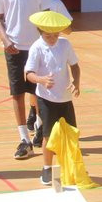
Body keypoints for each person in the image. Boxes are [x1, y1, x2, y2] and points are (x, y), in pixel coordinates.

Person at [0, 0, 51, 160]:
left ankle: (41, 126)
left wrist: (46, 41)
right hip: (14, 48)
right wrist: (5, 40)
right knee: (17, 93)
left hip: (37, 47)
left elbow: (47, 15)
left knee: (39, 90)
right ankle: (24, 139)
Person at [24, 11, 82, 186]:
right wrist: (41, 80)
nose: (52, 38)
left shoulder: (65, 44)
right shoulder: (36, 47)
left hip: (65, 98)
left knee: (71, 133)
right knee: (48, 135)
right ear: (40, 32)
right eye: (48, 35)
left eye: (55, 35)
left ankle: (73, 165)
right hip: (46, 99)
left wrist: (76, 83)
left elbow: (75, 66)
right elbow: (28, 73)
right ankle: (47, 167)